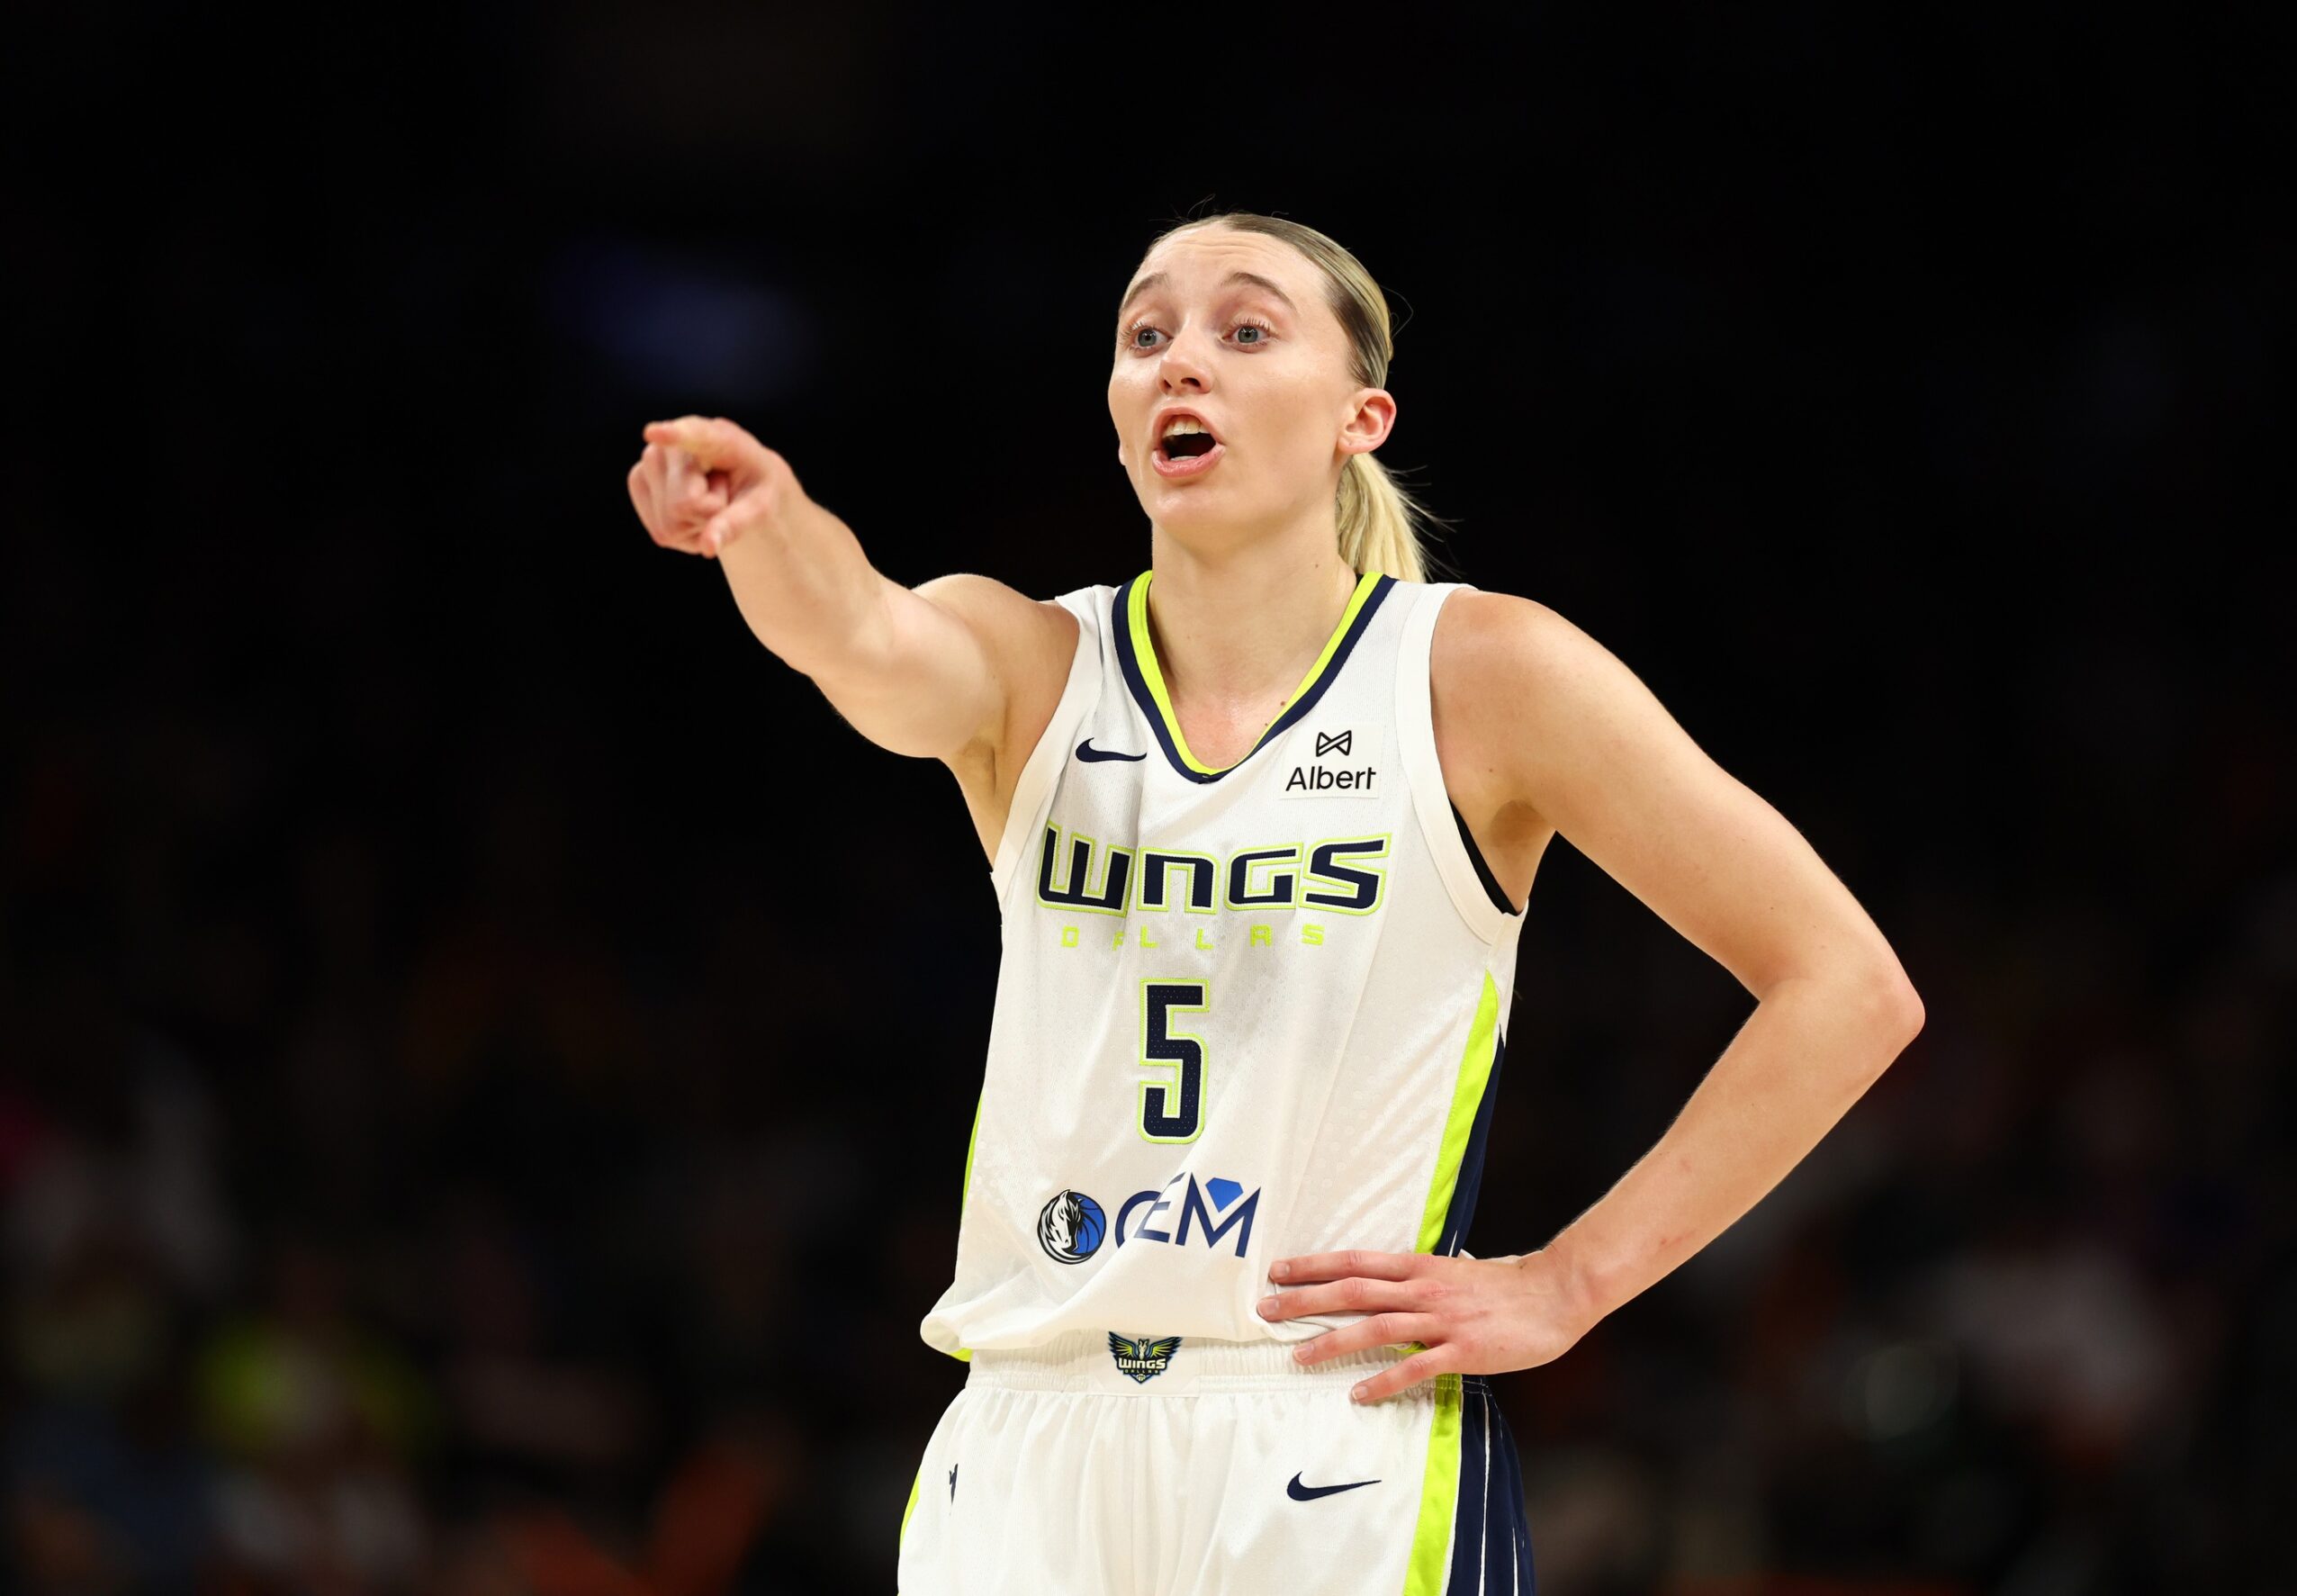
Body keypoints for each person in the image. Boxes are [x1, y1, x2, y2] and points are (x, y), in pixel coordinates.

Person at [623, 211, 1923, 1595]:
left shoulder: (1479, 674)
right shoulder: (1035, 664)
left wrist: (1570, 1281)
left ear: (1360, 416)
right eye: (1147, 335)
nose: (1185, 361)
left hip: (1329, 1429)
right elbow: (863, 632)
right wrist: (768, 524)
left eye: (1245, 330)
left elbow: (1847, 986)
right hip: (1025, 1430)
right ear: (1120, 419)